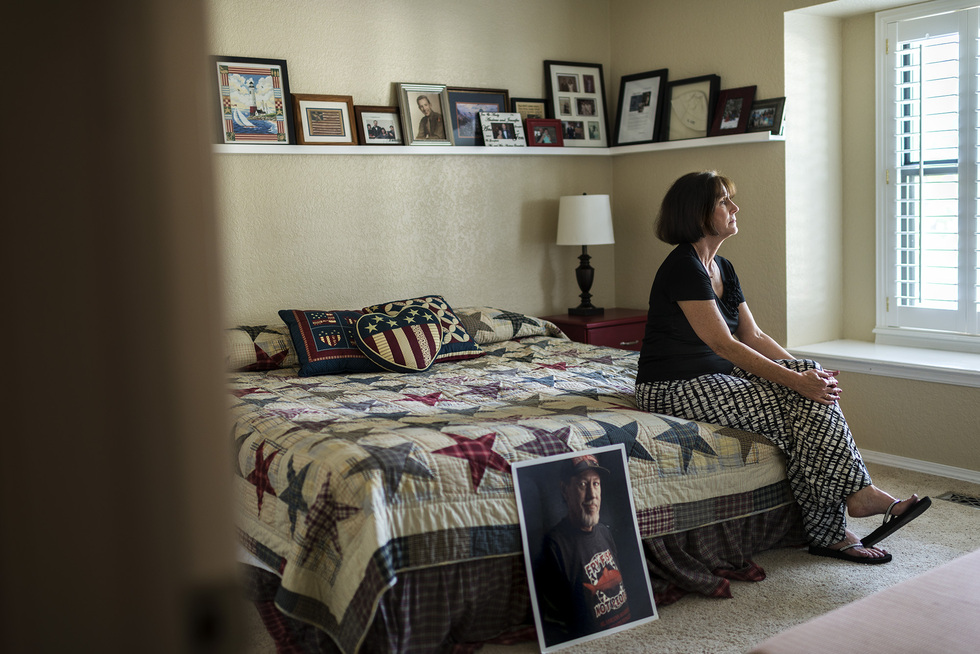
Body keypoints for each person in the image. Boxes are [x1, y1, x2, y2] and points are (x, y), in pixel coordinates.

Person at [634, 171, 931, 564]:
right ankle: (850, 508)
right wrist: (796, 382)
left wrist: (806, 374)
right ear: (697, 213)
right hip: (672, 385)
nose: (735, 207)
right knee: (798, 403)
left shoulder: (723, 267)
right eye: (723, 201)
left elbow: (753, 335)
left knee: (807, 384)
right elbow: (724, 344)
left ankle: (837, 524)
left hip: (718, 374)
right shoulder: (682, 267)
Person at [535, 454, 632, 645]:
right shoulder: (554, 544)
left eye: (596, 484)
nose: (592, 495)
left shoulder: (604, 532)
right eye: (582, 484)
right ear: (565, 490)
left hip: (626, 634)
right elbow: (555, 622)